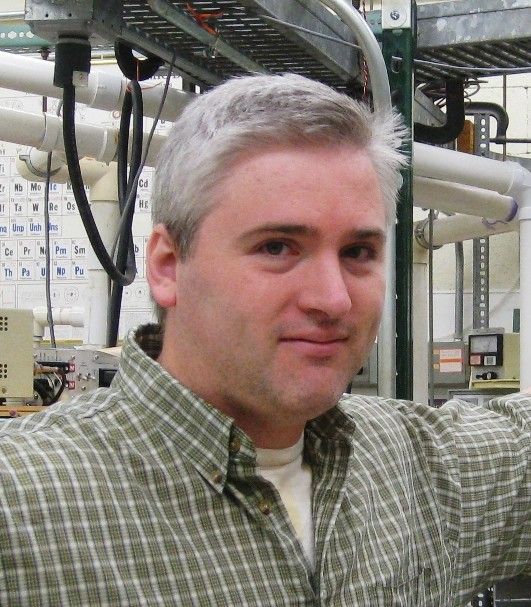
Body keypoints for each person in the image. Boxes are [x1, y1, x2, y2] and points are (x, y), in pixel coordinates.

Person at [0, 73, 529, 607]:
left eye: (357, 252)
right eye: (277, 247)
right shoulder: (23, 510)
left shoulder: (414, 469)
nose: (333, 299)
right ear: (167, 265)